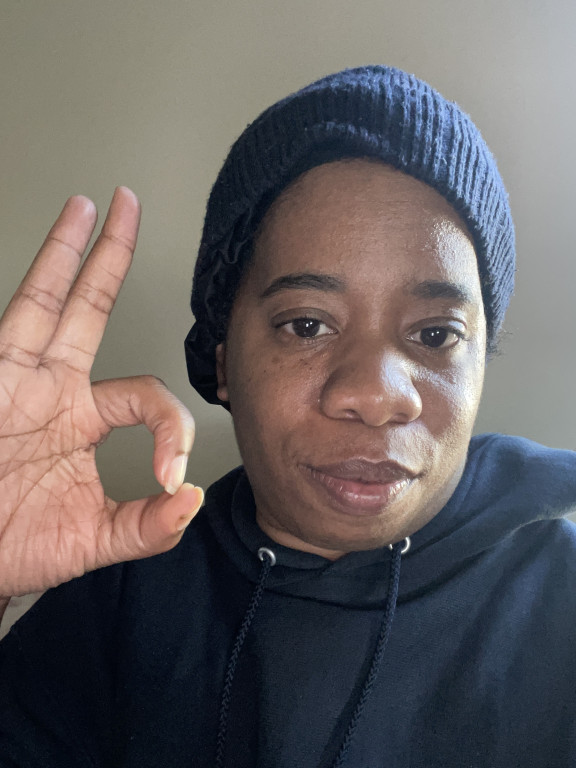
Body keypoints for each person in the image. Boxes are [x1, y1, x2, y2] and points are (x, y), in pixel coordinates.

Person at [0, 65, 575, 768]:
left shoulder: (561, 604)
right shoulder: (116, 601)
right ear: (223, 360)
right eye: (307, 325)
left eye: (435, 334)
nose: (376, 395)